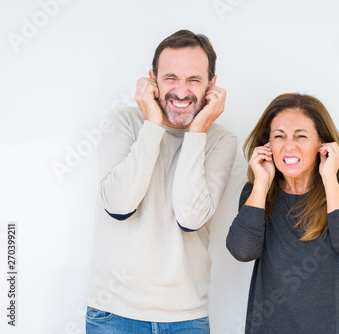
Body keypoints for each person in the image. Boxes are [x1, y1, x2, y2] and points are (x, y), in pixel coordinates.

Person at [86, 29, 237, 333]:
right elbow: (118, 205)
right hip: (114, 315)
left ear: (212, 85)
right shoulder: (125, 123)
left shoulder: (221, 140)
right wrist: (153, 124)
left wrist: (198, 131)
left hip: (185, 318)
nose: (181, 91)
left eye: (194, 79)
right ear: (152, 80)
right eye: (171, 78)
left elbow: (189, 217)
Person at [226, 93, 339, 333]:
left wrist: (329, 178)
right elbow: (242, 251)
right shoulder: (257, 191)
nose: (288, 146)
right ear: (267, 145)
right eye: (279, 136)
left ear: (322, 144)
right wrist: (261, 183)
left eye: (301, 136)